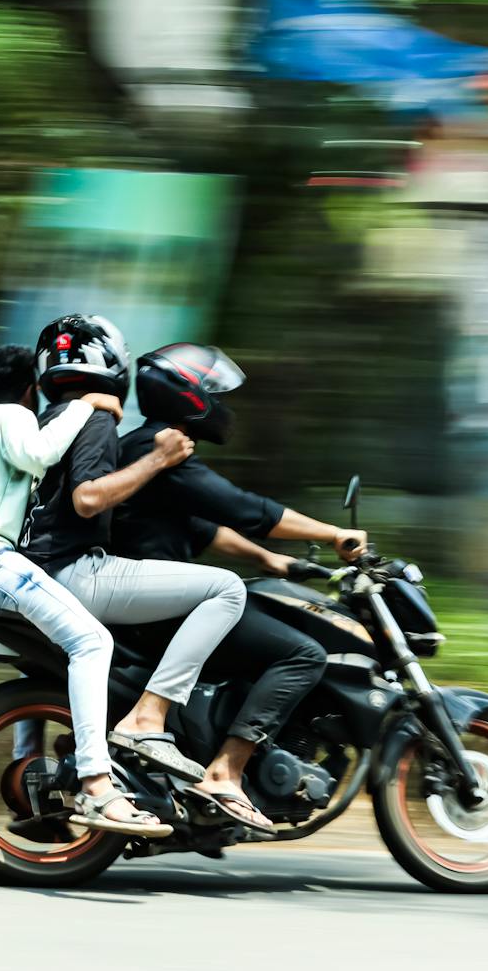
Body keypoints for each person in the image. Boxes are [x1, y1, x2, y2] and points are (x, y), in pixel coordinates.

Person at [0, 344, 171, 837]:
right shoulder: (9, 416)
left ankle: (31, 785)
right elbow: (39, 452)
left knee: (43, 655)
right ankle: (97, 785)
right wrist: (85, 405)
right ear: (31, 389)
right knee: (92, 642)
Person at [112, 342, 369, 834]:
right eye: (216, 395)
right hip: (156, 609)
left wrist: (267, 559)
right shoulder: (162, 451)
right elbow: (245, 509)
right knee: (303, 654)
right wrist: (333, 534)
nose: (224, 408)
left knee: (257, 613)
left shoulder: (153, 449)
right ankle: (225, 773)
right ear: (188, 396)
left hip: (148, 602)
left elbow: (197, 525)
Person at [18, 314, 248, 788]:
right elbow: (88, 499)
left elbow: (197, 525)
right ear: (115, 367)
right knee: (226, 588)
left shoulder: (41, 424)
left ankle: (36, 760)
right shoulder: (98, 418)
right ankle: (150, 716)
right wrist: (158, 459)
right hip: (73, 571)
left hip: (27, 577)